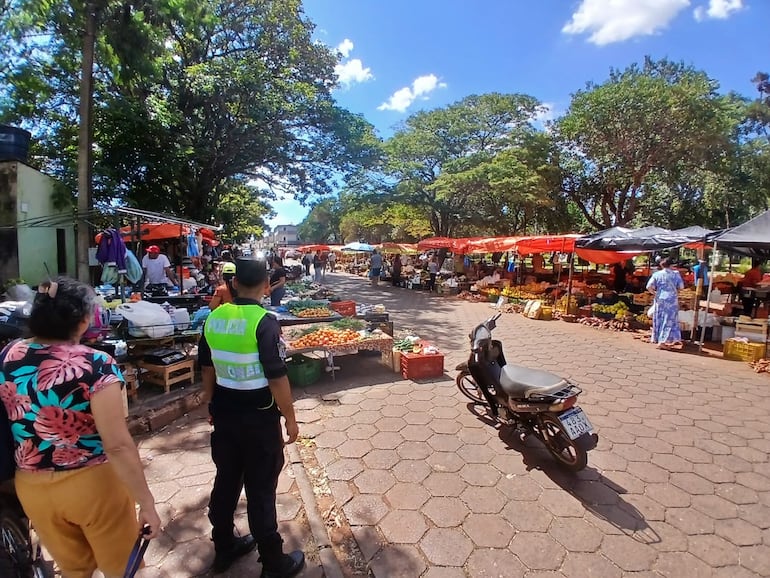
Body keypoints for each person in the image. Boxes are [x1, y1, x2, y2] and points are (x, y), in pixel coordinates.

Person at [0, 277, 161, 577]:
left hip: (33, 488)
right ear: (84, 320)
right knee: (122, 569)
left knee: (74, 570)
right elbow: (117, 444)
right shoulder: (96, 364)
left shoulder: (10, 355)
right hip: (92, 486)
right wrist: (147, 503)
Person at [197, 259, 304, 576]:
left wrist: (209, 400)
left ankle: (224, 545)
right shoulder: (265, 321)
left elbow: (206, 367)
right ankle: (273, 562)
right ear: (266, 287)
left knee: (226, 480)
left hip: (225, 415)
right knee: (260, 489)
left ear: (232, 285)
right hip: (259, 418)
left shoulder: (213, 318)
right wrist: (291, 418)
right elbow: (277, 376)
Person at [646, 258, 685, 350]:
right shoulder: (675, 274)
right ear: (671, 265)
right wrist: (675, 292)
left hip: (659, 299)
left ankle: (657, 338)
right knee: (668, 320)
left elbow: (648, 286)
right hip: (671, 300)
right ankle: (662, 341)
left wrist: (655, 293)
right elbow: (681, 287)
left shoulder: (656, 274)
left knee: (659, 318)